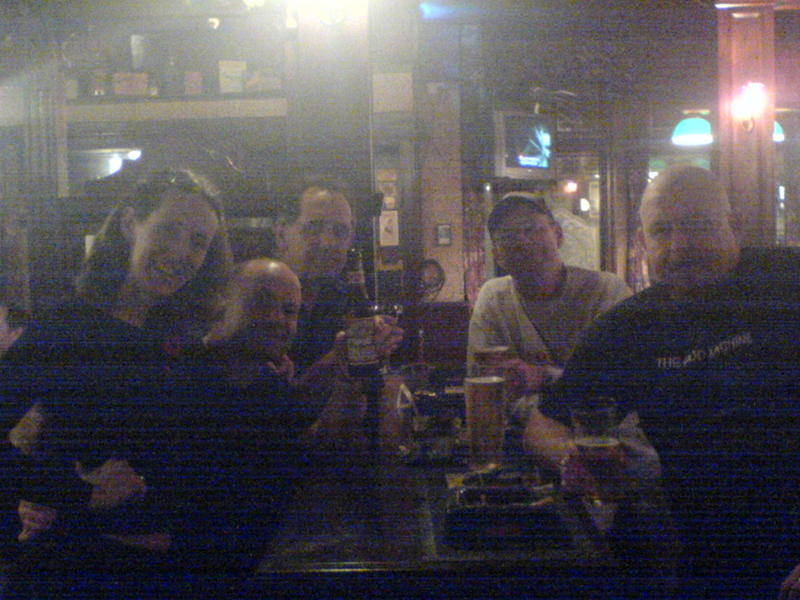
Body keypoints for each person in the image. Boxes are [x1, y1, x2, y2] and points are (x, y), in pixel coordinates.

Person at [525, 165, 800, 597]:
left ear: (735, 226)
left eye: (698, 226)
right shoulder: (633, 327)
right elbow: (542, 424)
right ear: (642, 243)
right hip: (711, 565)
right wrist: (570, 460)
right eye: (662, 231)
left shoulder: (786, 281)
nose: (680, 245)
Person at [0, 168, 234, 598]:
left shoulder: (189, 342)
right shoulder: (66, 326)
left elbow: (205, 467)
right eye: (168, 230)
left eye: (198, 242)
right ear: (130, 225)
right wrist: (77, 493)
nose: (181, 251)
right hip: (70, 574)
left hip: (162, 575)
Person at [468, 192, 631, 398]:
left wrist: (544, 376)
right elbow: (483, 383)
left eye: (531, 229)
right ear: (497, 255)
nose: (522, 242)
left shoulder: (607, 291)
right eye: (507, 236)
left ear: (558, 235)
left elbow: (625, 379)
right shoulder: (493, 298)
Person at [273, 178, 402, 380]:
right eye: (314, 228)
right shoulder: (257, 298)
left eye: (340, 231)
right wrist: (341, 356)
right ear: (281, 235)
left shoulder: (344, 298)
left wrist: (375, 349)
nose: (328, 242)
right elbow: (270, 394)